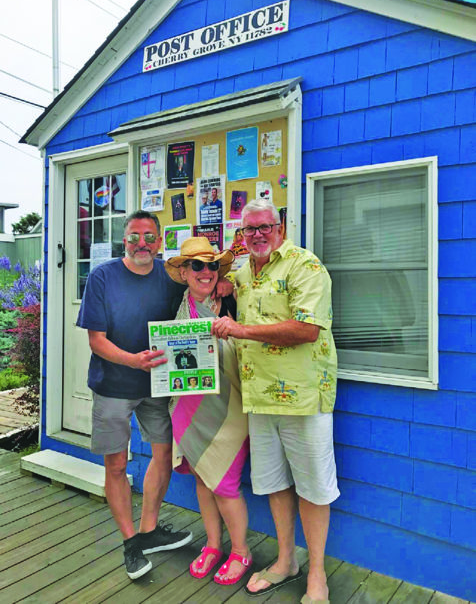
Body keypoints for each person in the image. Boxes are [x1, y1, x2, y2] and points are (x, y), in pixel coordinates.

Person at [212, 199, 339, 604]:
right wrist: (218, 281)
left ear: (280, 227)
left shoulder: (305, 265)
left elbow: (307, 329)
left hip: (303, 396)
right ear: (242, 234)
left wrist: (240, 330)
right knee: (274, 484)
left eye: (265, 226)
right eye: (249, 229)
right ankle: (286, 561)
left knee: (314, 487)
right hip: (259, 395)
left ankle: (317, 574)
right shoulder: (244, 271)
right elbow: (213, 272)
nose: (258, 235)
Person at [76, 210, 195, 580]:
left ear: (159, 242)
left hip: (158, 387)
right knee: (116, 465)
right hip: (113, 386)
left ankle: (149, 530)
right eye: (133, 236)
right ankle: (130, 542)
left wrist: (222, 285)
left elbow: (199, 288)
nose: (141, 243)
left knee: (163, 454)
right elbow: (96, 341)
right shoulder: (102, 277)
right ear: (123, 240)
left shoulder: (171, 277)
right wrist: (133, 361)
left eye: (148, 237)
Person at [165, 237, 252, 586]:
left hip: (228, 405)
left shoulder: (233, 298)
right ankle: (214, 545)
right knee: (202, 477)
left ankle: (241, 550)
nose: (205, 272)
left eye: (211, 265)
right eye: (197, 265)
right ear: (184, 272)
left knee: (226, 483)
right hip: (188, 405)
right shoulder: (180, 305)